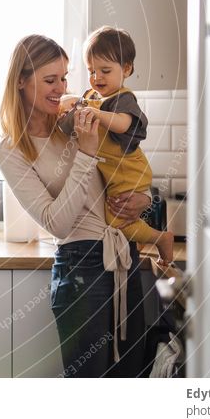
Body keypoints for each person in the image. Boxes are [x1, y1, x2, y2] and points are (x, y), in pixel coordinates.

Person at [0, 33, 152, 377]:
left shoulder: (75, 120)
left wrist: (145, 200)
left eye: (64, 77)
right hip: (82, 271)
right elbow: (57, 223)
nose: (61, 87)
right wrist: (86, 152)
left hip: (125, 256)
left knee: (133, 379)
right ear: (21, 81)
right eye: (50, 79)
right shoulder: (12, 151)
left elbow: (128, 166)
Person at [60, 26, 173, 265]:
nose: (97, 77)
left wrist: (95, 114)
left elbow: (123, 123)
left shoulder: (123, 98)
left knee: (116, 219)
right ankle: (149, 237)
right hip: (115, 173)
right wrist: (69, 105)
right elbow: (73, 117)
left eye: (105, 70)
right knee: (121, 218)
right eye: (91, 70)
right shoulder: (93, 96)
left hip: (128, 171)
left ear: (127, 69)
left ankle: (160, 238)